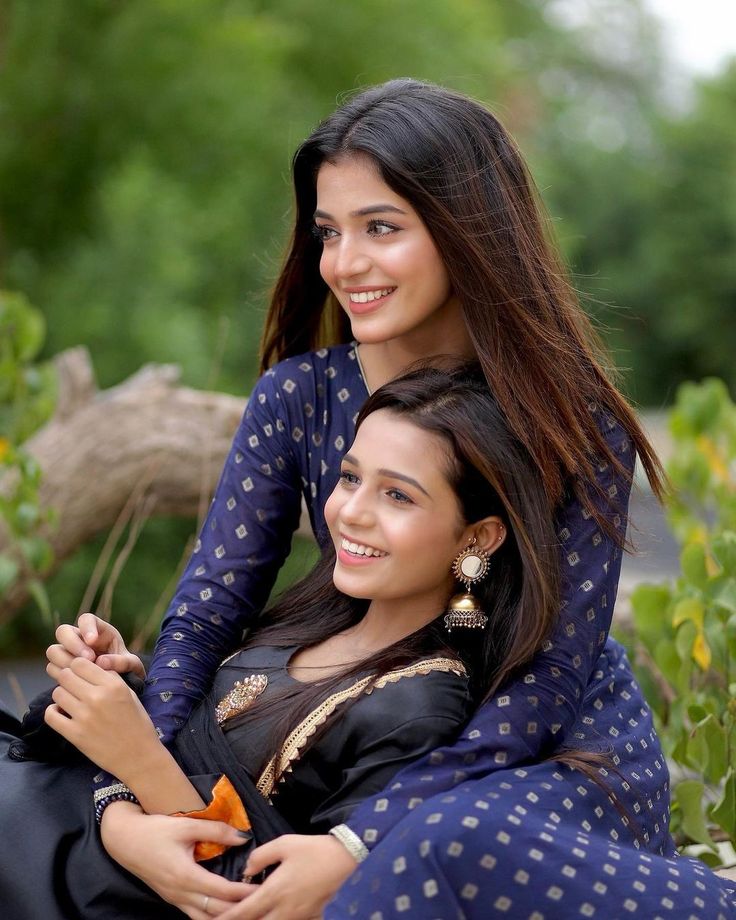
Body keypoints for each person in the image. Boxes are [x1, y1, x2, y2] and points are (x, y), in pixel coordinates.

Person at [47, 79, 733, 917]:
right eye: (329, 233)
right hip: (358, 719)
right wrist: (129, 800)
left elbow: (548, 684)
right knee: (63, 758)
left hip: (532, 753)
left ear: (467, 230)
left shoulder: (570, 416)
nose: (344, 263)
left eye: (382, 228)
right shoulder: (298, 397)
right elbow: (205, 617)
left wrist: (361, 839)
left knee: (414, 858)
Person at [4, 364, 559, 919]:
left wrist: (137, 755)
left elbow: (278, 899)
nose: (352, 513)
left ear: (477, 537)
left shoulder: (422, 703)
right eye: (349, 478)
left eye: (397, 495)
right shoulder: (319, 614)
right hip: (52, 822)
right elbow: (216, 737)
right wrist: (126, 683)